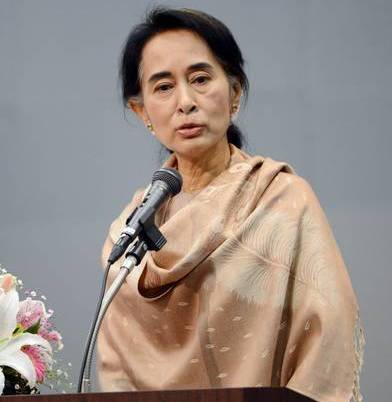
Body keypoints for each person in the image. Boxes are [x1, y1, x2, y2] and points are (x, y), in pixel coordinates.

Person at [96, 7, 364, 402]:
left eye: (200, 79)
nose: (185, 102)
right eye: (164, 87)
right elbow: (116, 370)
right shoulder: (128, 234)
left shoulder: (282, 201)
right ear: (142, 112)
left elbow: (330, 332)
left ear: (234, 93)